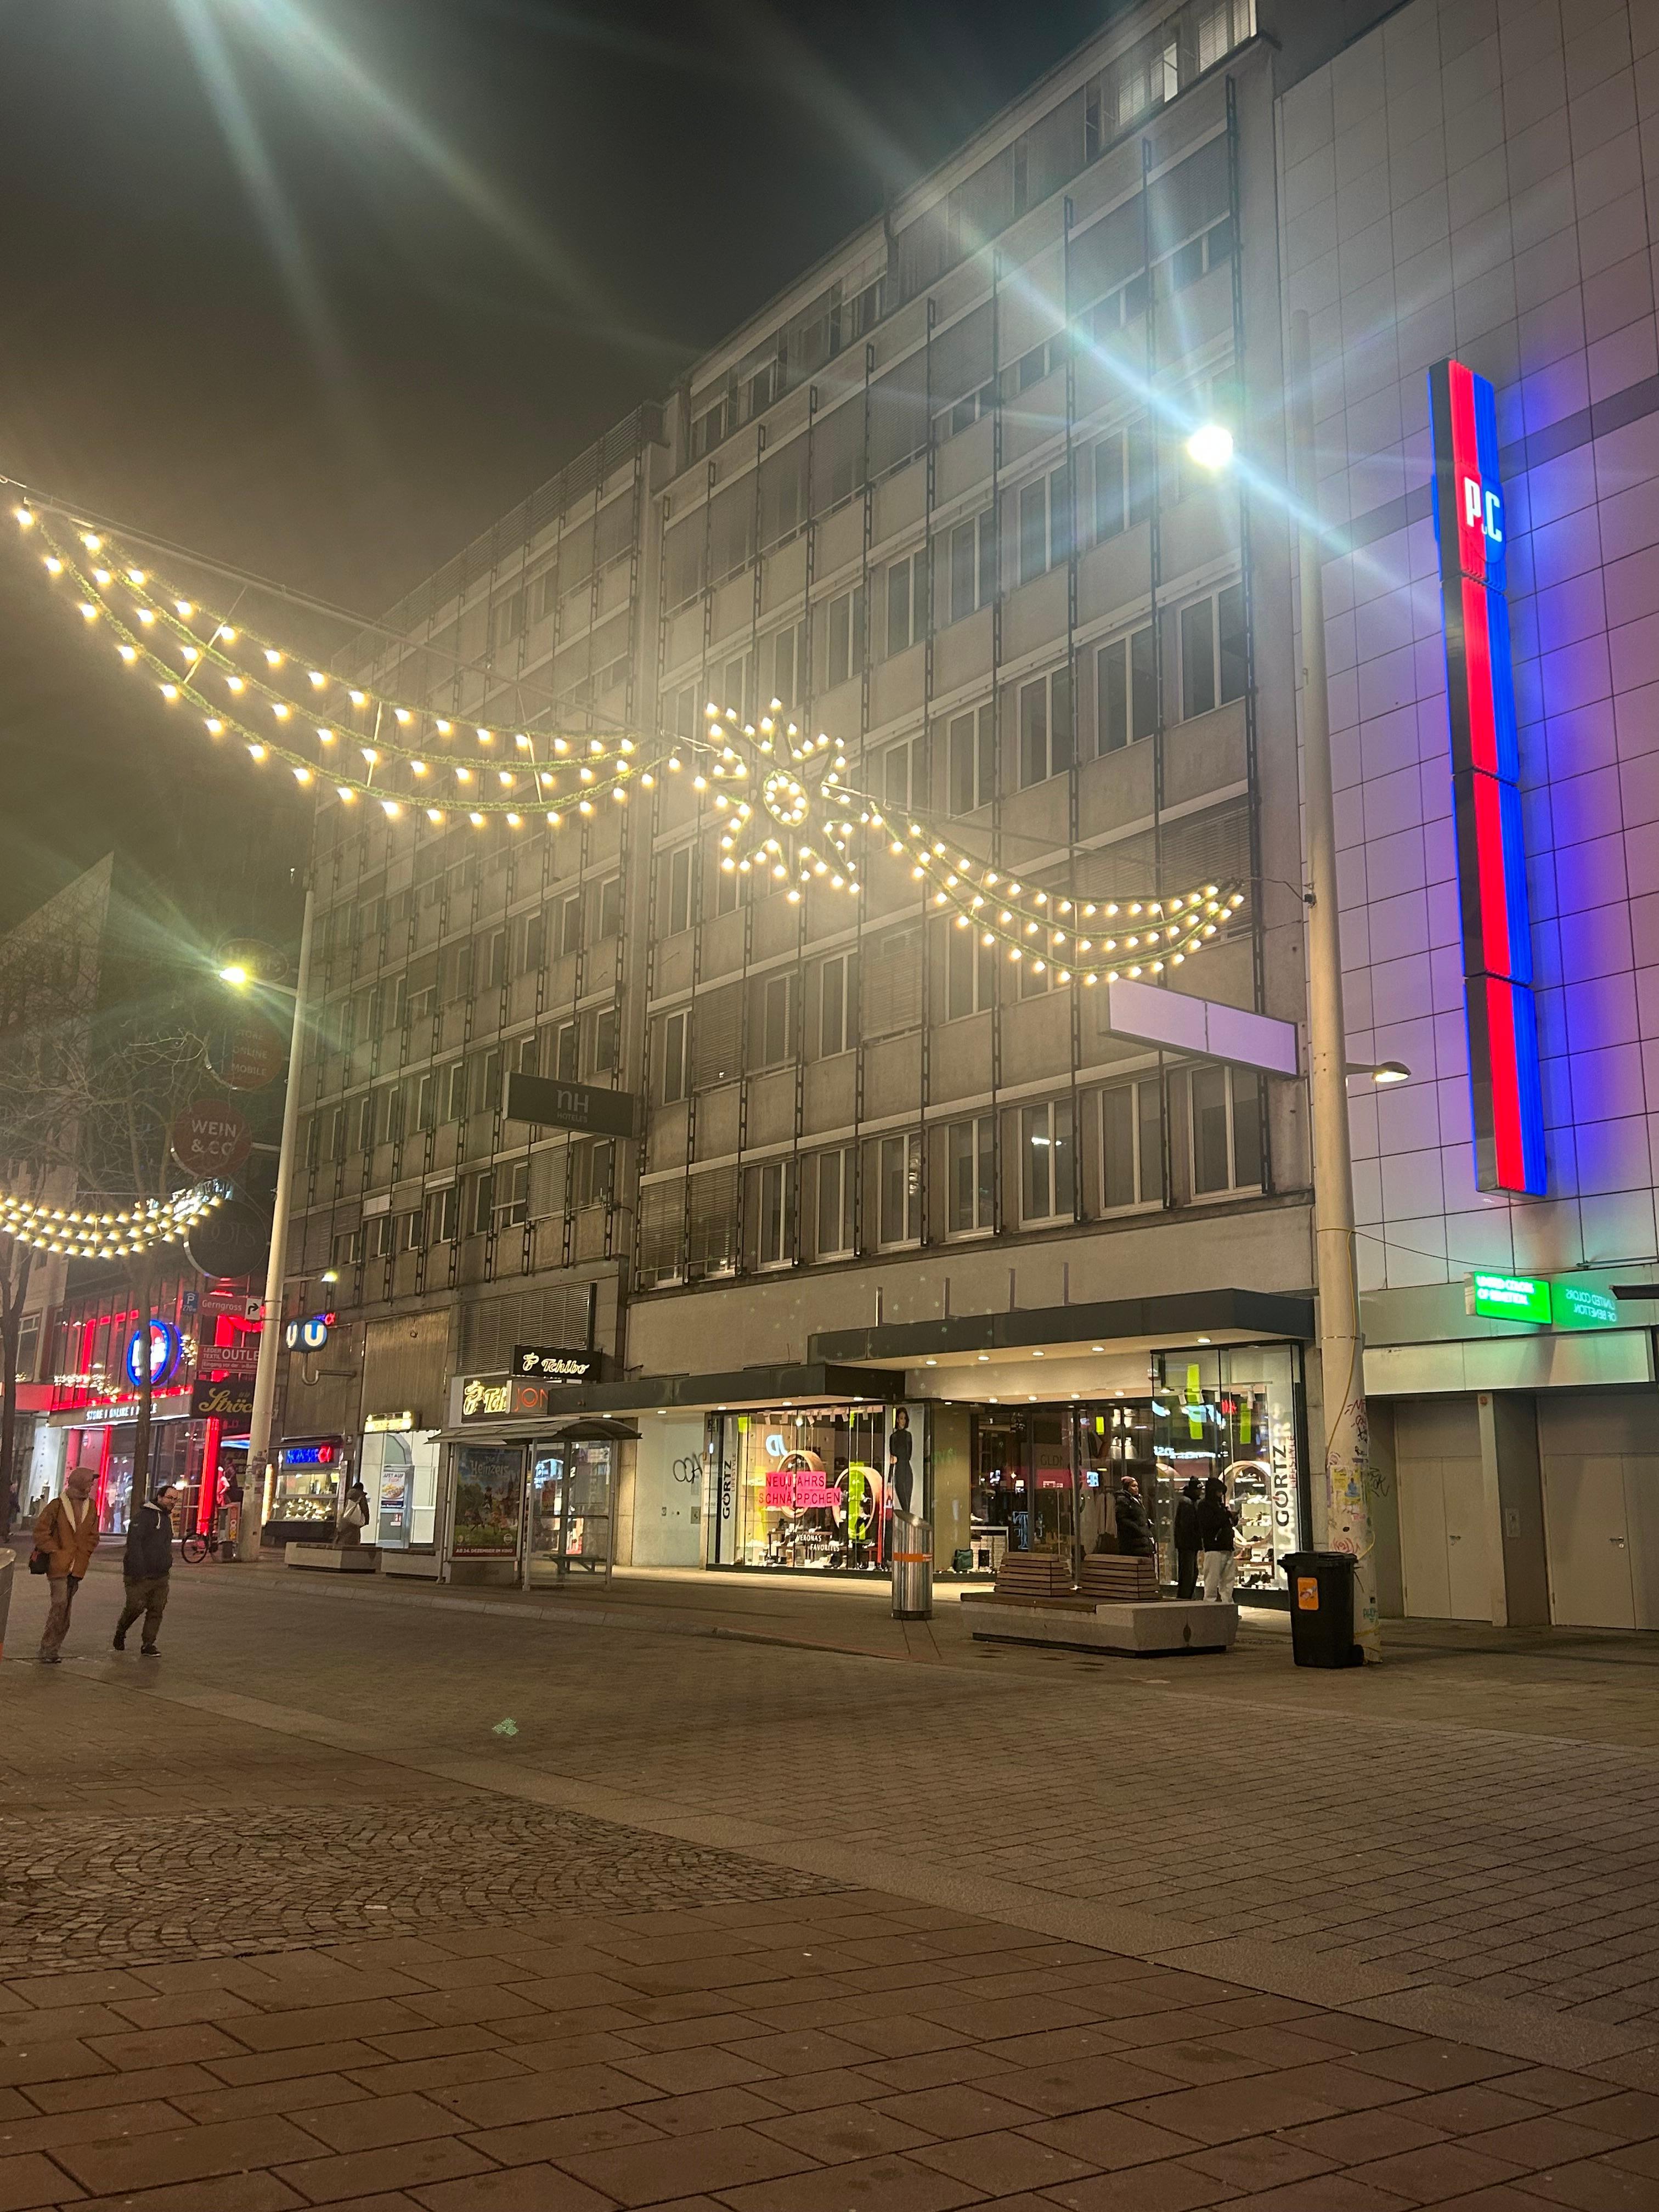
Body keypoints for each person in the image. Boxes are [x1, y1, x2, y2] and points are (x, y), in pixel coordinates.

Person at [33, 1462, 100, 1664]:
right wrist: (55, 1551)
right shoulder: (57, 1505)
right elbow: (41, 1532)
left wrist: (87, 1551)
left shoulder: (91, 1507)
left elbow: (93, 1535)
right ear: (79, 1483)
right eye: (89, 1482)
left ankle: (53, 1649)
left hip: (78, 1566)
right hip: (59, 1565)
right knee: (59, 1605)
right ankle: (48, 1648)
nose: (91, 1486)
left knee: (66, 1609)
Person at [114, 1483, 179, 1655]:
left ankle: (148, 1644)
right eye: (169, 1498)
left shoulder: (166, 1519)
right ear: (159, 1497)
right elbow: (134, 1544)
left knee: (157, 1609)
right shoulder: (143, 1516)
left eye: (175, 1499)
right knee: (135, 1606)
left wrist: (167, 1563)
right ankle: (121, 1631)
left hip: (161, 1575)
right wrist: (138, 1569)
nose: (172, 1502)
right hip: (140, 1574)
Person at [1198, 1474, 1239, 1602]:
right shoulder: (1205, 1506)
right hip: (1214, 1547)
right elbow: (1209, 1524)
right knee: (1212, 1580)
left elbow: (1227, 1523)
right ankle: (1209, 1605)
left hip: (1226, 1546)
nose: (1221, 1494)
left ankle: (1228, 1605)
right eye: (1218, 1491)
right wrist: (1225, 1515)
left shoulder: (1221, 1506)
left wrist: (1232, 1517)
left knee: (1228, 1580)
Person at [1173, 1476, 1203, 1600]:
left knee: (1191, 1571)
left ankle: (1187, 1596)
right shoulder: (1187, 1503)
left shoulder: (1189, 1502)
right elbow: (1187, 1525)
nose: (1200, 1492)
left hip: (1188, 1543)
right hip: (1188, 1544)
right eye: (1199, 1490)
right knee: (1188, 1572)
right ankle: (1185, 1597)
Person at [1114, 1474, 1155, 1558]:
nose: (1136, 1488)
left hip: (1141, 1540)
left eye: (1137, 1486)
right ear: (1127, 1487)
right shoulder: (1123, 1500)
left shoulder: (1137, 1500)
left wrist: (1146, 1523)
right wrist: (1138, 1528)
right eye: (1133, 1486)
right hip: (1132, 1541)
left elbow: (1139, 1516)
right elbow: (1122, 1520)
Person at [888, 1408, 914, 1517]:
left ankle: (908, 1523)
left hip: (907, 1469)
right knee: (903, 1500)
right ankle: (907, 1522)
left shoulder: (908, 1436)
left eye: (904, 1418)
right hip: (899, 1470)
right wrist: (889, 1479)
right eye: (901, 1418)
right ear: (897, 1420)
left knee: (907, 1500)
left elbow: (909, 1455)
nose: (902, 1421)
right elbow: (893, 1458)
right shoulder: (894, 1437)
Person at [336, 1475, 371, 1549]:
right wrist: (367, 1520)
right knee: (354, 1539)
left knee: (344, 1538)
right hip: (354, 1521)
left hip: (345, 1520)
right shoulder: (361, 1496)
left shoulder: (348, 1494)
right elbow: (365, 1509)